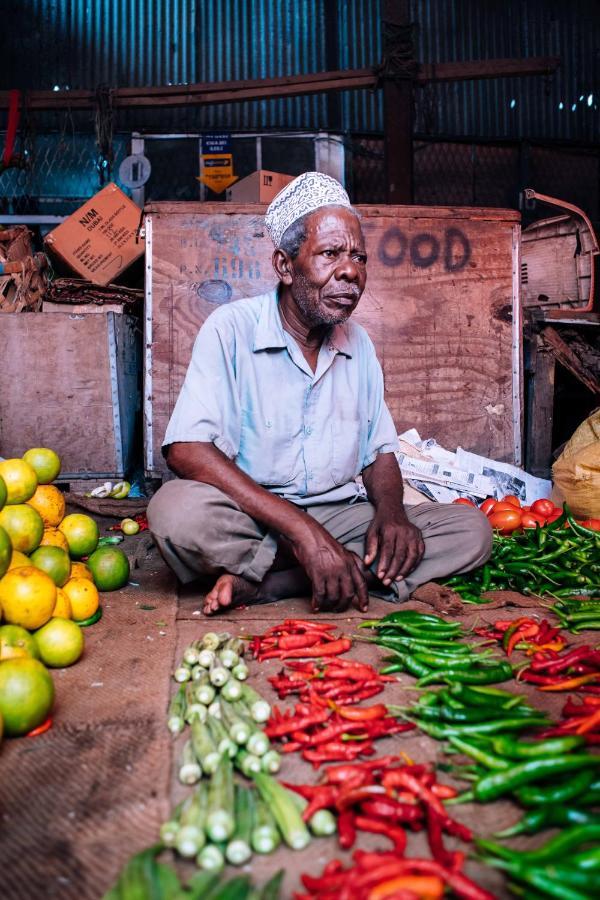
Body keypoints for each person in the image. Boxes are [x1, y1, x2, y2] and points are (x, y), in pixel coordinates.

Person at [147, 172, 492, 616]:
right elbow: (185, 450)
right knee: (177, 514)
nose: (350, 271)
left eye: (359, 257)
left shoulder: (359, 345)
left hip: (341, 514)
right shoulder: (231, 329)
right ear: (285, 266)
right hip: (255, 514)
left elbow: (380, 453)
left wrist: (391, 516)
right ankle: (323, 562)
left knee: (472, 531)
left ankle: (274, 583)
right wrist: (303, 533)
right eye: (330, 254)